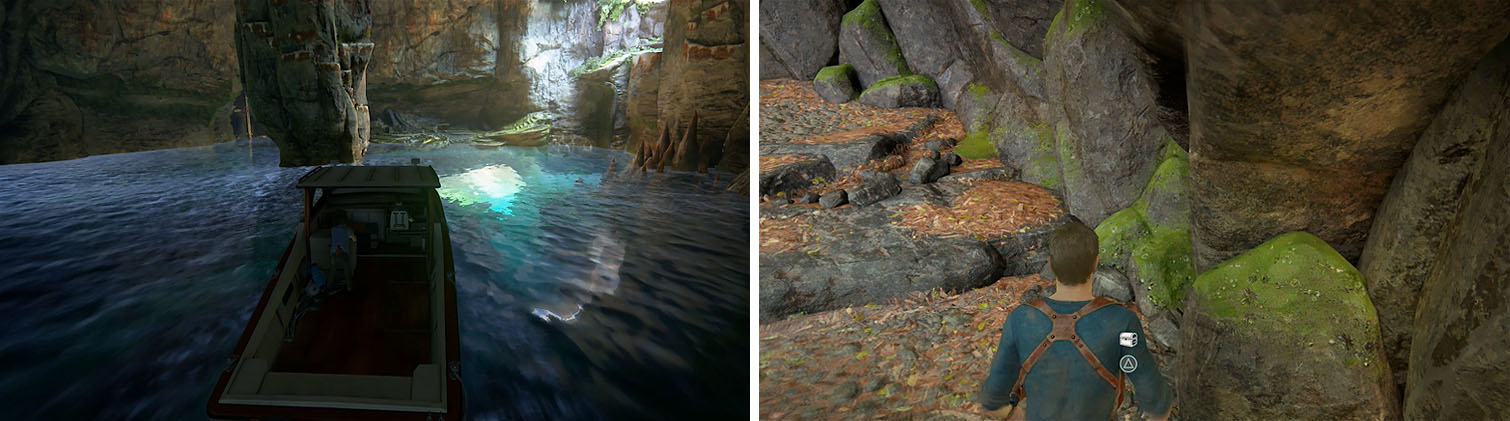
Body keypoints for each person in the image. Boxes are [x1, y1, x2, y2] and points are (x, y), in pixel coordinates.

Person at [977, 219, 1172, 420]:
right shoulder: (1122, 321)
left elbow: (992, 401)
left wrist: (1014, 413)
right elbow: (1156, 403)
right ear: (1095, 263)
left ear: (1051, 265)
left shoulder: (1020, 319)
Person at [329, 213, 357, 292]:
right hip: (343, 253)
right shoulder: (348, 229)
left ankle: (329, 285)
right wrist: (353, 239)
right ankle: (349, 286)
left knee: (332, 270)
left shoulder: (333, 229)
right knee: (346, 270)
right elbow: (354, 239)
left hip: (333, 253)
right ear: (345, 221)